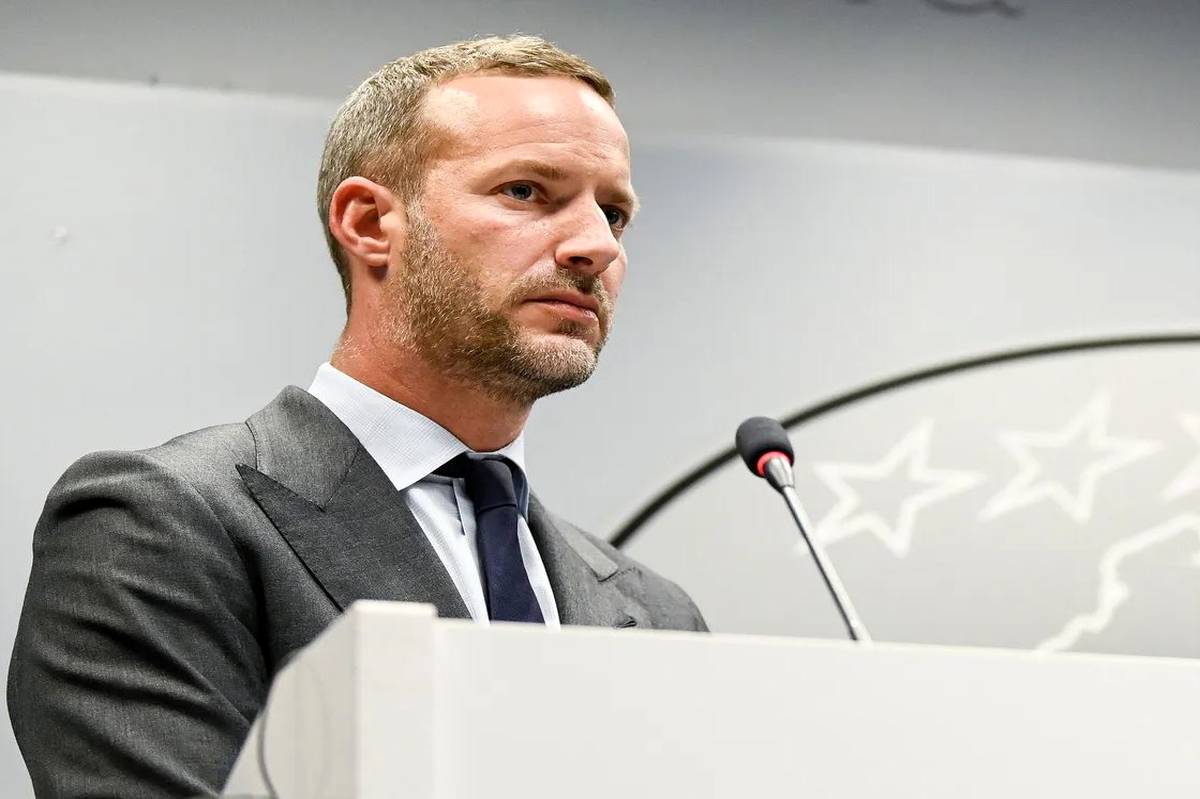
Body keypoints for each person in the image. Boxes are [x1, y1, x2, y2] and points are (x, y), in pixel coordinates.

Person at [8, 35, 707, 798]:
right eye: (526, 191)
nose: (596, 245)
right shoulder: (159, 526)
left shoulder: (658, 611)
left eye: (615, 213)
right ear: (371, 223)